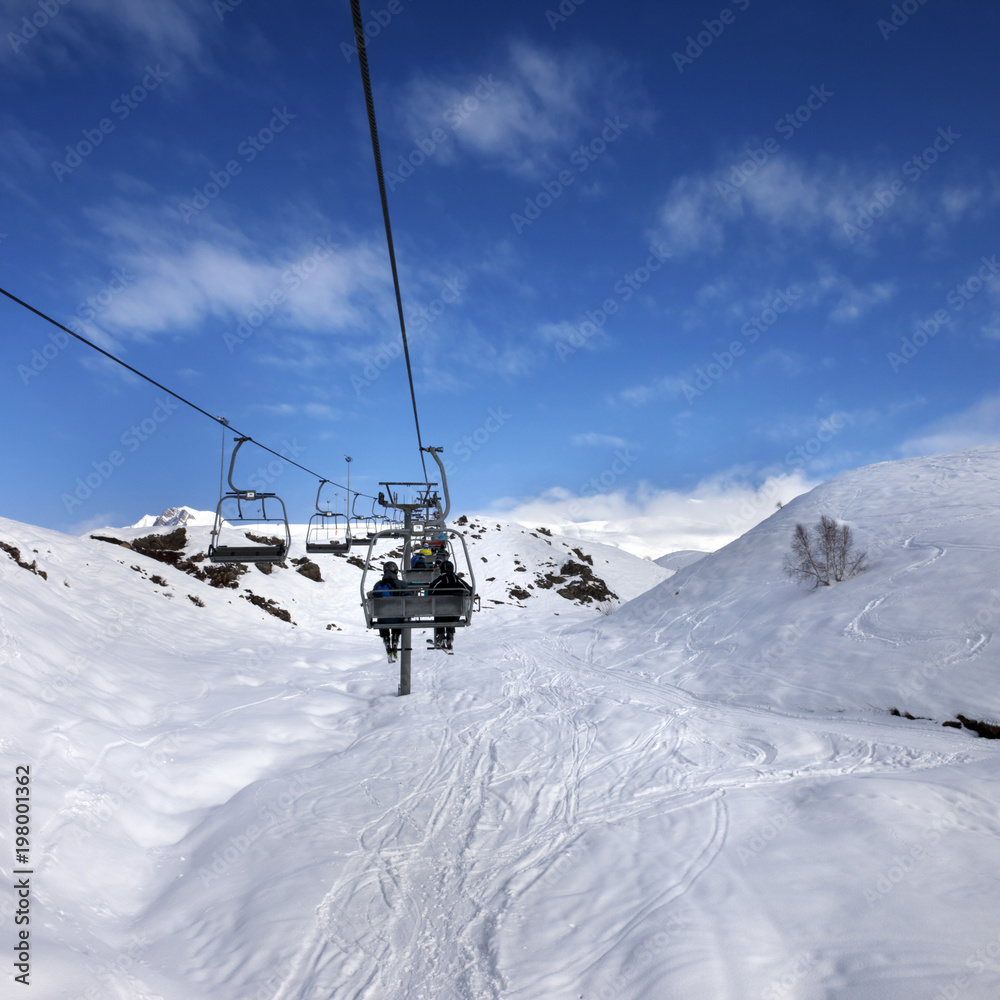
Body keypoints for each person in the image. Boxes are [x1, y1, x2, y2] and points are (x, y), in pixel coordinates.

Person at [428, 559, 471, 652]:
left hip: (440, 612)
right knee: (452, 614)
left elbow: (431, 590)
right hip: (455, 612)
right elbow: (469, 589)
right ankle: (450, 637)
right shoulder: (457, 580)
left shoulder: (440, 580)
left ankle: (440, 636)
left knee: (439, 615)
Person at [371, 561, 406, 661]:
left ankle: (386, 640)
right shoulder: (401, 584)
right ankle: (395, 638)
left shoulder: (378, 585)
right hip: (398, 618)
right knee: (398, 619)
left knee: (383, 619)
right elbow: (409, 598)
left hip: (382, 619)